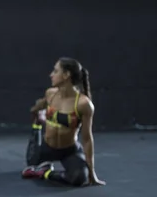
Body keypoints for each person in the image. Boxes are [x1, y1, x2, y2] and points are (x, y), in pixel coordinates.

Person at [22, 57, 106, 187]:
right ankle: (40, 162)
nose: (51, 75)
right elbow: (37, 108)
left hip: (69, 150)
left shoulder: (83, 104)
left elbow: (87, 139)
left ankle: (45, 173)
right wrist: (37, 115)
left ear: (66, 75)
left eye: (55, 71)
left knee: (79, 178)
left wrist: (92, 173)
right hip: (47, 147)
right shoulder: (50, 94)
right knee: (31, 162)